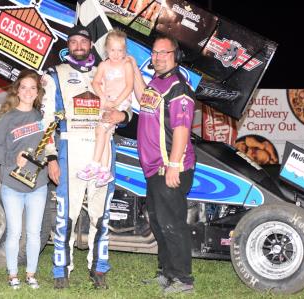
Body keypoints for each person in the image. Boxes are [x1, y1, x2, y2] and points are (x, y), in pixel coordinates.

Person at [40, 25, 131, 289]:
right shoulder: (55, 74)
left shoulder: (108, 69)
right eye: (74, 41)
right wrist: (50, 157)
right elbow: (46, 119)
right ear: (68, 45)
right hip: (71, 150)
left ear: (91, 45)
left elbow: (129, 111)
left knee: (100, 215)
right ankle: (61, 271)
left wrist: (121, 116)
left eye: (84, 41)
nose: (79, 45)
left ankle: (98, 268)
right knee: (65, 215)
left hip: (102, 151)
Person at [130, 34, 196, 295]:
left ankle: (183, 280)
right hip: (154, 168)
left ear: (175, 55)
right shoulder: (158, 83)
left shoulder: (178, 87)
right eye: (154, 53)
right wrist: (133, 66)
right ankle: (166, 272)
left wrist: (173, 165)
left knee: (173, 223)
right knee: (158, 222)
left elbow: (181, 130)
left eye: (163, 53)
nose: (157, 58)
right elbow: (141, 96)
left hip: (169, 167)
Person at [0, 69, 57, 290]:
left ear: (37, 92)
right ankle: (12, 274)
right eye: (24, 87)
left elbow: (50, 145)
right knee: (14, 232)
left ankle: (30, 273)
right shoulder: (7, 119)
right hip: (12, 184)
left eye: (33, 88)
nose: (28, 91)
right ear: (17, 90)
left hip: (37, 184)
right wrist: (12, 160)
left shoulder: (43, 117)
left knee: (34, 232)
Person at [76, 29, 134, 187]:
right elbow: (95, 82)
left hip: (120, 103)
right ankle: (104, 171)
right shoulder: (103, 65)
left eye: (120, 50)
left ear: (125, 50)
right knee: (106, 135)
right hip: (106, 102)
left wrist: (116, 103)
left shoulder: (127, 64)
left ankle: (94, 165)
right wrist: (102, 97)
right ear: (107, 49)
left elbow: (129, 86)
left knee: (100, 130)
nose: (116, 54)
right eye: (113, 49)